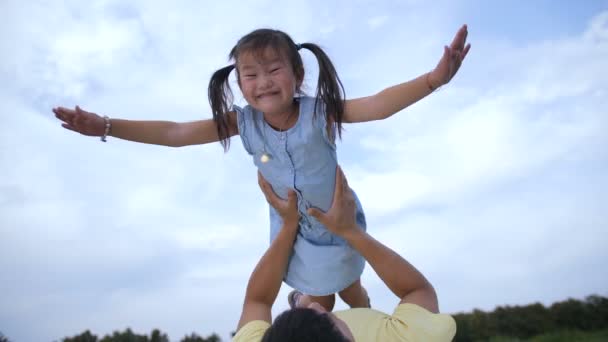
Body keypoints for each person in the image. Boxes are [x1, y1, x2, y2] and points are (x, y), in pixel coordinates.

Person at [53, 25, 470, 312]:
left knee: (352, 290)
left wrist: (434, 80)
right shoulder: (243, 122)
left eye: (273, 70)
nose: (263, 82)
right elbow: (176, 132)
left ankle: (360, 314)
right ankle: (309, 306)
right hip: (294, 230)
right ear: (239, 83)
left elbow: (377, 106)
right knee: (321, 303)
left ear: (298, 75)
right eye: (249, 74)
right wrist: (107, 126)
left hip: (337, 219)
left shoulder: (319, 113)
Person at [233, 166, 456, 341]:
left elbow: (257, 301)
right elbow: (418, 290)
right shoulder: (405, 338)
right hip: (363, 309)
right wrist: (350, 231)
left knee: (323, 296)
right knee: (342, 291)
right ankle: (345, 293)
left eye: (305, 313)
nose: (316, 309)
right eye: (324, 318)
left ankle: (311, 296)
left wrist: (289, 226)